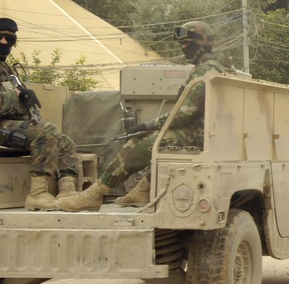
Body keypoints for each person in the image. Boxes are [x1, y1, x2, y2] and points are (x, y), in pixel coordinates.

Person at [57, 20, 232, 212]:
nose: (183, 49)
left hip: (197, 134)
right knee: (151, 141)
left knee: (137, 144)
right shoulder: (213, 67)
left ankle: (94, 194)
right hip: (204, 132)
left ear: (200, 44)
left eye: (186, 44)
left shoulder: (205, 72)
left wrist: (148, 125)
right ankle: (143, 190)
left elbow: (184, 115)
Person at [0, 17, 82, 210]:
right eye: (0, 37)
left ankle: (68, 191)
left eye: (9, 40)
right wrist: (18, 95)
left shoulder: (6, 68)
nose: (4, 43)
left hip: (10, 124)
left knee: (64, 141)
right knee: (46, 133)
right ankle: (37, 193)